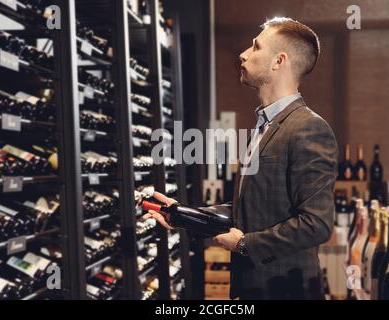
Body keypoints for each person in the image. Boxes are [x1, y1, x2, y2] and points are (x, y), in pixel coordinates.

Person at [143, 17, 338, 300]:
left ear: (278, 61)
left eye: (256, 47)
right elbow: (251, 208)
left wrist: (245, 244)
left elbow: (316, 224)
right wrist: (183, 216)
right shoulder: (265, 125)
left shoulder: (309, 127)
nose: (244, 54)